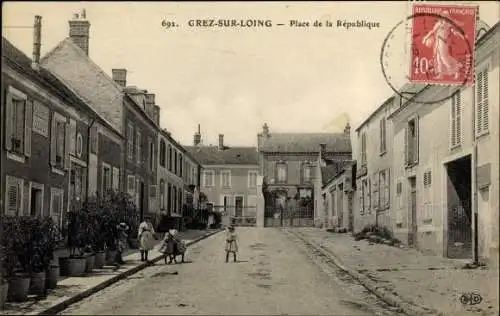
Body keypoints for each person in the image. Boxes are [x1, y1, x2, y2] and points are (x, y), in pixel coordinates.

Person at [422, 10, 466, 80]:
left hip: (444, 42)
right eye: (442, 16)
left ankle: (456, 70)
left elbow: (454, 31)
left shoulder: (448, 24)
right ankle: (440, 74)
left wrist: (460, 35)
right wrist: (425, 38)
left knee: (444, 57)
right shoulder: (438, 24)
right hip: (438, 41)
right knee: (438, 58)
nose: (442, 18)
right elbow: (432, 31)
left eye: (444, 16)